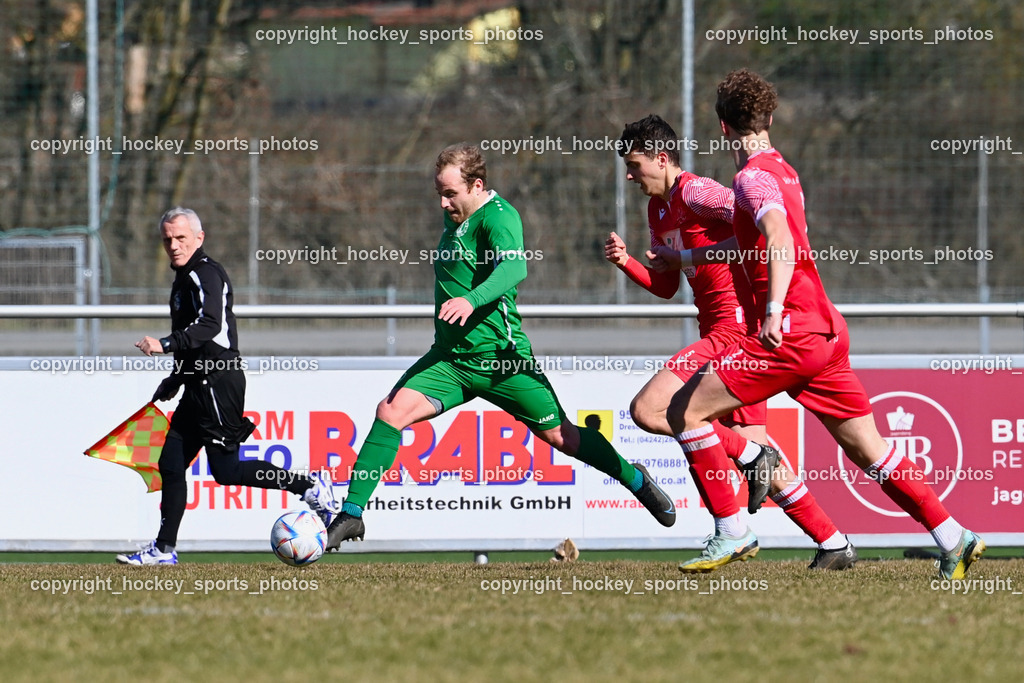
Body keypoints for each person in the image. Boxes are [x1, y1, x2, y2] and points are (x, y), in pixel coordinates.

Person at [664, 70, 984, 579]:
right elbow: (756, 241)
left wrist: (770, 311)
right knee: (871, 452)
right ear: (769, 117)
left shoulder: (751, 178)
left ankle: (732, 531)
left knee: (682, 412)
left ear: (723, 128)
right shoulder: (783, 171)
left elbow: (778, 240)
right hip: (825, 330)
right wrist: (690, 256)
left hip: (788, 331)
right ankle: (955, 538)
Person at [326, 144, 676, 548]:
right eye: (439, 192)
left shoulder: (500, 217)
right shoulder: (456, 217)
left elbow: (515, 266)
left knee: (563, 437)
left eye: (450, 193)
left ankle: (634, 478)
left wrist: (471, 300)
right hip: (451, 361)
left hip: (502, 362)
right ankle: (351, 515)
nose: (443, 202)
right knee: (389, 413)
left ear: (477, 185)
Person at [607, 114, 855, 572]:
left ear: (662, 159)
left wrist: (773, 291)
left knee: (650, 411)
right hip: (718, 334)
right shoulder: (656, 210)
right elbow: (666, 287)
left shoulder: (698, 192)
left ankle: (733, 528)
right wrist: (628, 263)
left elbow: (756, 219)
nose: (629, 175)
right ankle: (834, 542)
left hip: (735, 332)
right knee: (755, 463)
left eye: (635, 164)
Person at [115, 207, 339, 565]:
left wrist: (165, 344)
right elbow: (197, 341)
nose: (173, 245)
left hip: (219, 382)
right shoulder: (182, 279)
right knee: (170, 464)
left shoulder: (207, 274)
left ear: (199, 238)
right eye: (167, 239)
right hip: (197, 384)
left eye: (181, 238)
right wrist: (176, 378)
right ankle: (163, 550)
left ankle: (309, 486)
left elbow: (209, 327)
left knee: (226, 470)